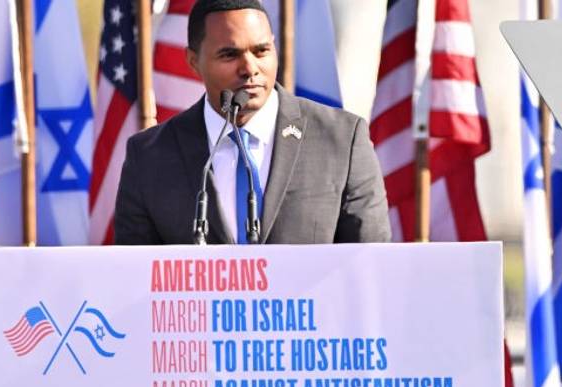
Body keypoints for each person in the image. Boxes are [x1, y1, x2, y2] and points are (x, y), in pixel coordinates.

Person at [114, 0, 390, 244]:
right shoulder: (149, 157)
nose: (249, 69)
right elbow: (138, 280)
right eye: (229, 55)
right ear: (193, 61)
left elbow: (369, 269)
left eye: (261, 51)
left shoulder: (342, 140)